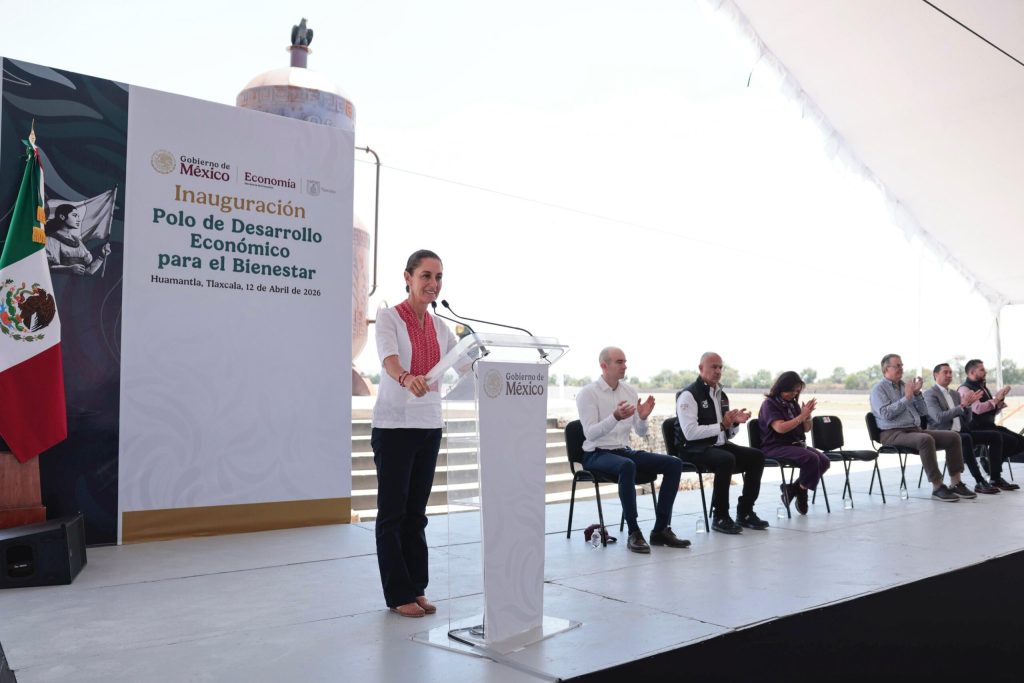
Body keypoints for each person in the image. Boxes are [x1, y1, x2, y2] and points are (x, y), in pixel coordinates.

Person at [371, 249, 467, 618]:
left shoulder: (442, 327)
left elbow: (464, 364)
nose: (433, 283)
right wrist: (405, 377)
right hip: (395, 426)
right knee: (393, 514)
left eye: (438, 277)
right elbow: (389, 359)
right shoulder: (389, 317)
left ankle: (416, 588)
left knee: (416, 514)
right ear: (408, 277)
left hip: (429, 426)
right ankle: (398, 594)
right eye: (426, 275)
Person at [576, 347, 689, 554]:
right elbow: (590, 434)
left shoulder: (629, 391)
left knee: (674, 463)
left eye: (625, 362)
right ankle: (634, 532)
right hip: (595, 453)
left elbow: (640, 431)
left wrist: (643, 417)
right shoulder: (588, 393)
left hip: (623, 451)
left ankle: (661, 530)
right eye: (619, 362)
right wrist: (615, 417)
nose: (625, 366)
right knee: (627, 465)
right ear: (604, 365)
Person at [676, 352, 769, 534]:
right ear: (701, 368)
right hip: (692, 449)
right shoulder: (688, 395)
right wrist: (722, 425)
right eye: (714, 367)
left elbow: (727, 435)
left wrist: (733, 424)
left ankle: (745, 511)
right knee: (725, 459)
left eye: (720, 367)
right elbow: (690, 433)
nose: (718, 371)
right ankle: (720, 516)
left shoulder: (722, 395)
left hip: (717, 446)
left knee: (757, 456)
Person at [869, 354, 972, 502]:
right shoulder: (878, 389)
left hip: (914, 430)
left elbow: (923, 412)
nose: (901, 368)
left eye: (902, 365)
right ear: (886, 369)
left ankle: (956, 483)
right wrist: (907, 398)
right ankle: (938, 486)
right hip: (891, 433)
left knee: (953, 437)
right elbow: (886, 414)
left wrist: (917, 394)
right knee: (925, 439)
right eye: (897, 366)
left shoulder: (905, 386)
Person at [924, 363, 1008, 494]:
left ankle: (995, 478)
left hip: (962, 430)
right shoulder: (930, 394)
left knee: (996, 436)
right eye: (945, 372)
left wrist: (968, 406)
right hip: (943, 433)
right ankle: (979, 480)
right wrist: (962, 406)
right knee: (965, 438)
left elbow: (967, 420)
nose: (949, 375)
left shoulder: (954, 394)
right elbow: (939, 418)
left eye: (950, 372)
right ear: (935, 375)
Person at [758, 371, 831, 514]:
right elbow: (780, 428)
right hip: (775, 446)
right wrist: (801, 416)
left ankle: (794, 489)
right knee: (811, 458)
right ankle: (801, 493)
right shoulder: (770, 404)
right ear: (782, 387)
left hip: (796, 445)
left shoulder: (792, 404)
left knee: (824, 461)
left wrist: (807, 416)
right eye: (791, 391)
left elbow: (806, 429)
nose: (794, 394)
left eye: (797, 391)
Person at [960, 359, 1024, 489]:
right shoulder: (964, 388)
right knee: (1004, 439)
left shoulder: (982, 387)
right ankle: (995, 477)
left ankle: (991, 464)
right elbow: (977, 409)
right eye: (982, 369)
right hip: (975, 428)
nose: (985, 372)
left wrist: (999, 403)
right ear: (972, 372)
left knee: (1020, 441)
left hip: (989, 426)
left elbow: (990, 411)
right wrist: (995, 400)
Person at [44, 203, 110, 275]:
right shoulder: (51, 239)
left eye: (78, 216)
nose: (78, 220)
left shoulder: (77, 241)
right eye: (74, 216)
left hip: (79, 281)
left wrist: (102, 256)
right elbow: (47, 267)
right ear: (62, 217)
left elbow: (88, 272)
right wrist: (69, 269)